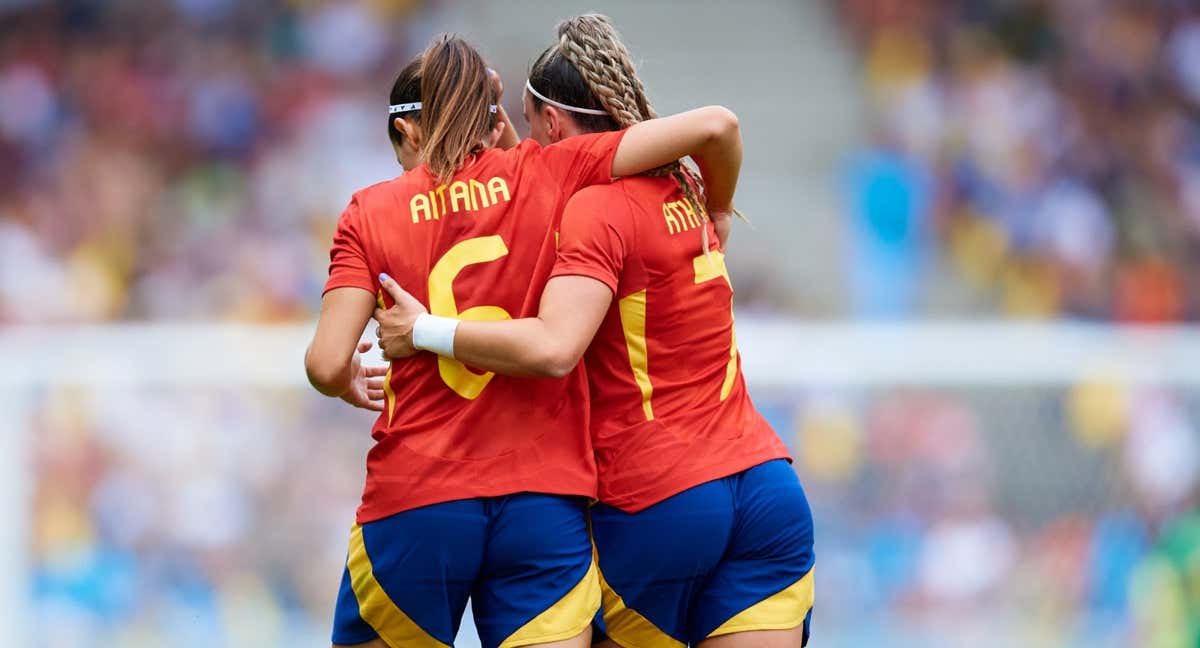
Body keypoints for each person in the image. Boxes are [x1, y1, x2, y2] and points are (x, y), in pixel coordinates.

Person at [374, 15, 815, 648]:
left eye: (527, 126)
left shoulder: (592, 209)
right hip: (766, 489)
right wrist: (720, 208)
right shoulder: (684, 189)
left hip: (659, 500)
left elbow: (555, 347)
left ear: (553, 123)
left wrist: (426, 331)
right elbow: (720, 128)